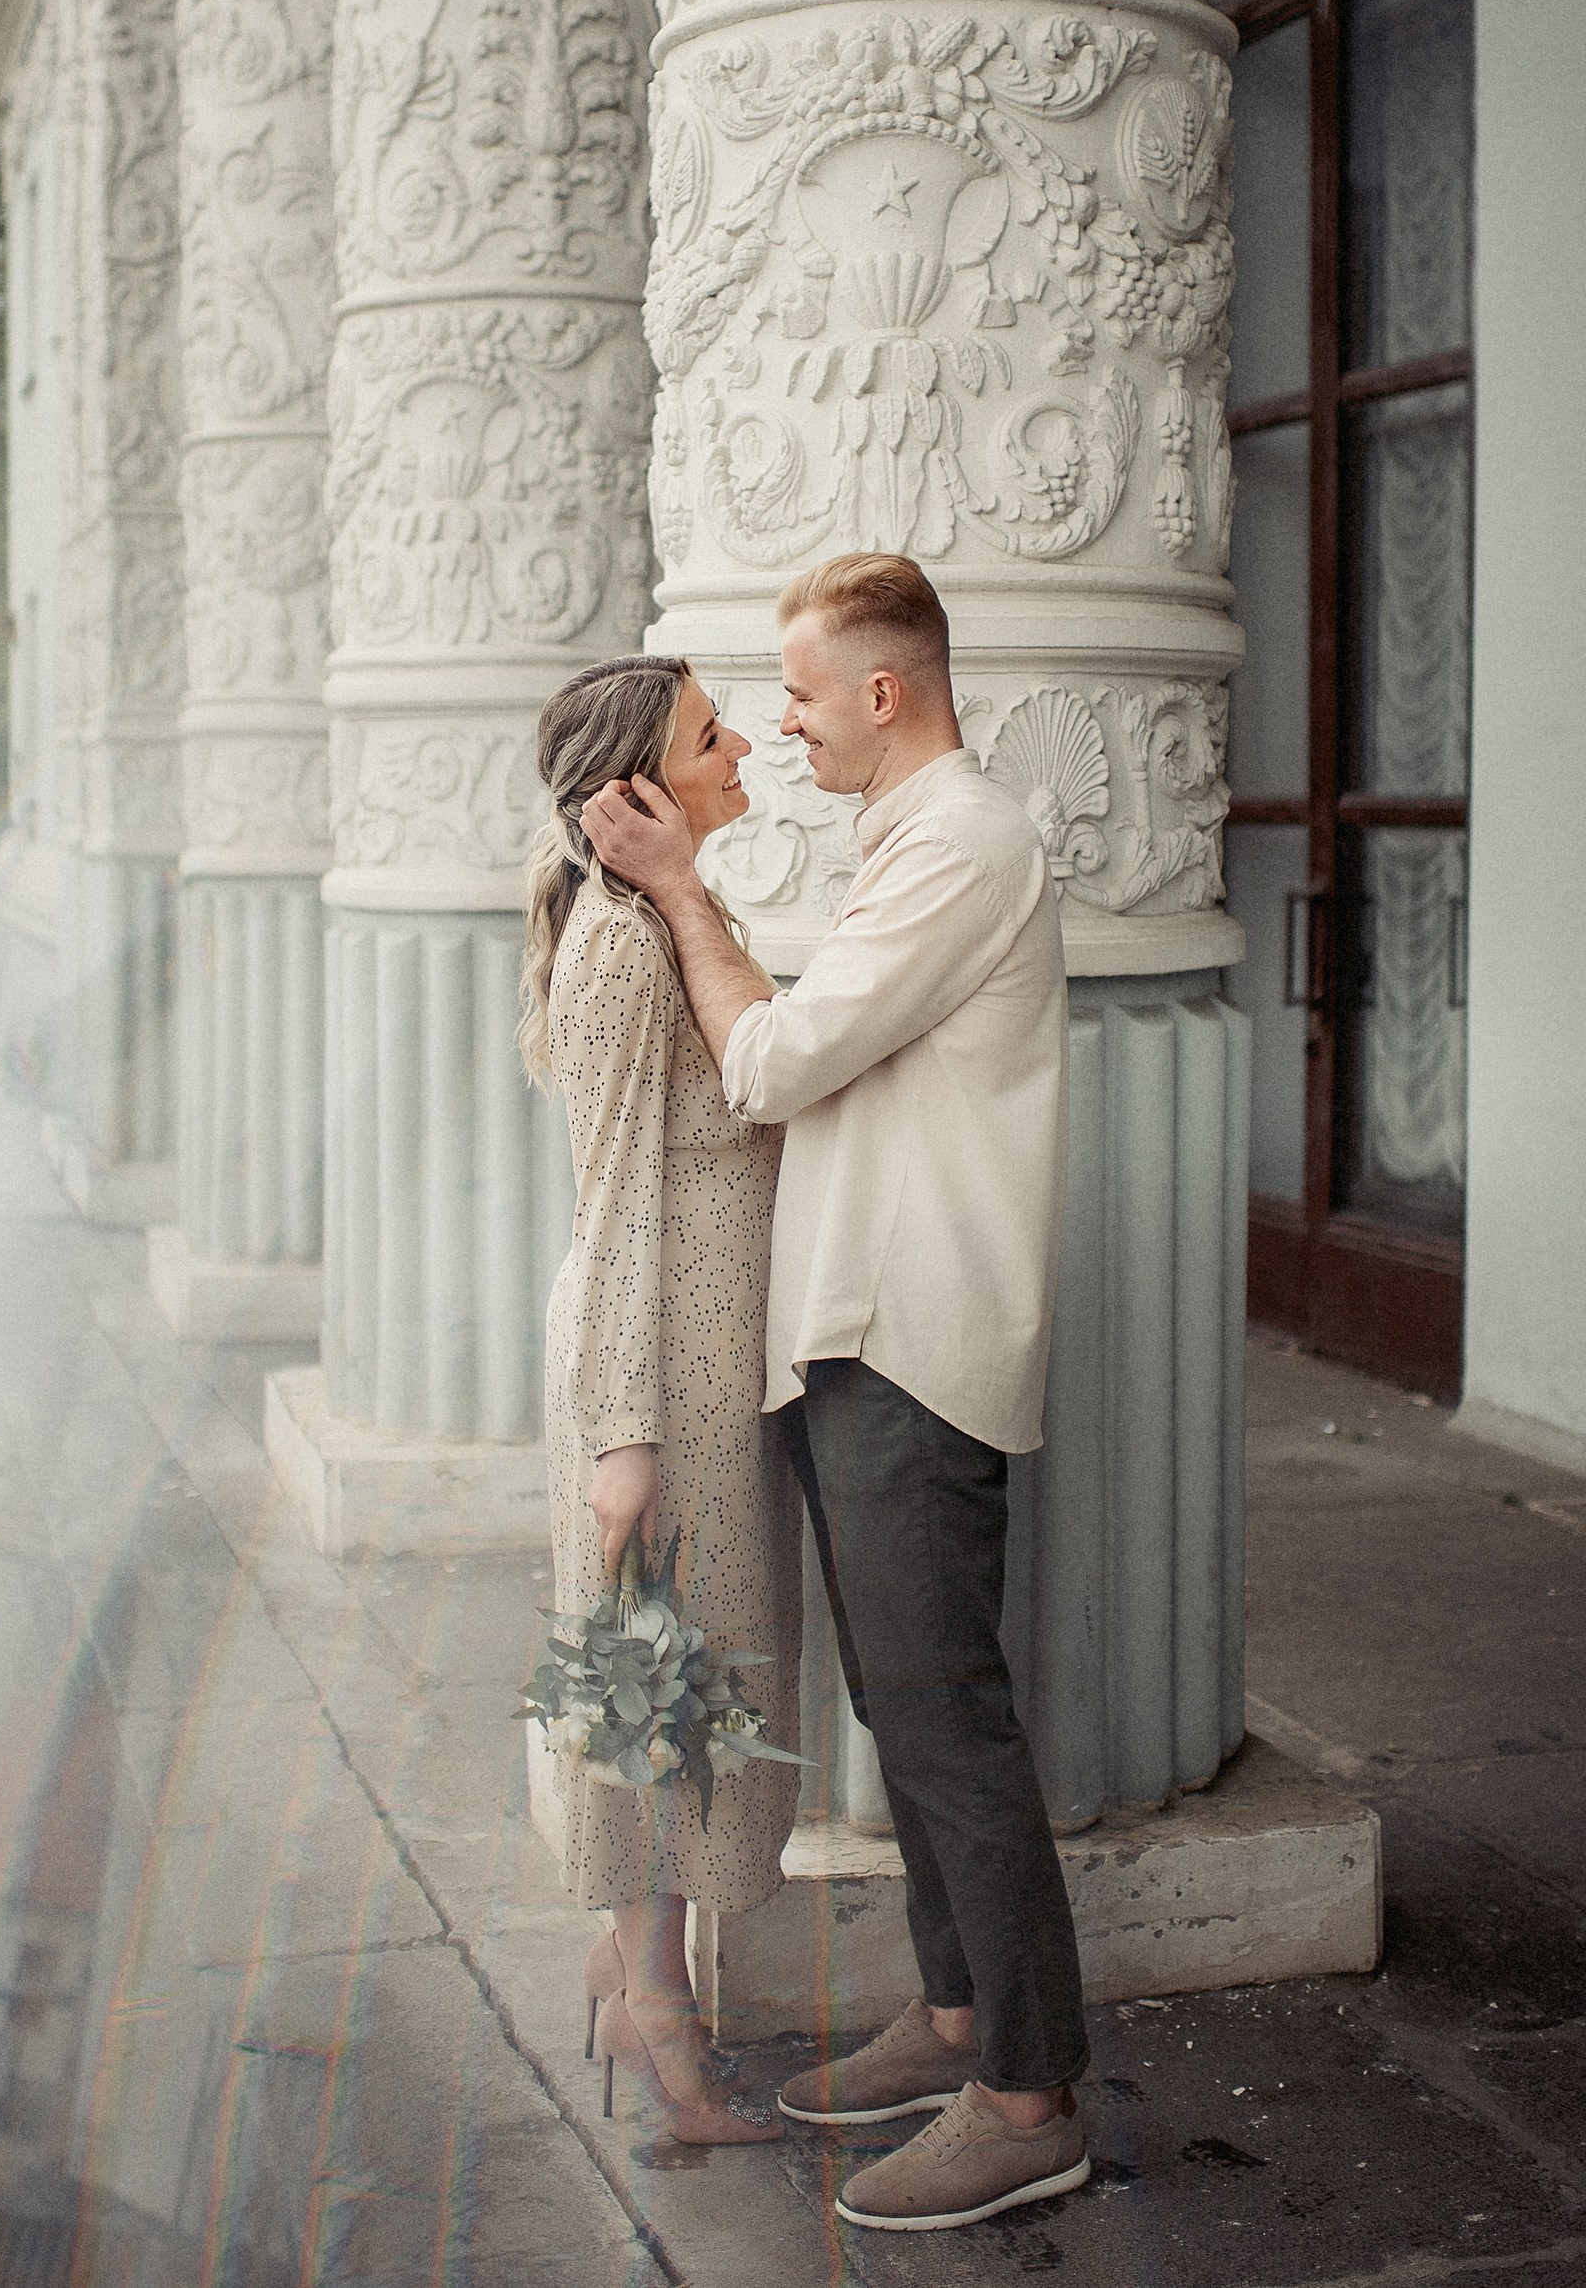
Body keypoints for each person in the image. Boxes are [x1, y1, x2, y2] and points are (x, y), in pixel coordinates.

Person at [580, 552, 1091, 2236]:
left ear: (885, 693)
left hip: (914, 1345)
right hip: (855, 1342)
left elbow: (777, 1061)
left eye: (798, 696)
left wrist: (683, 900)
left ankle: (1026, 2098)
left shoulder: (963, 841)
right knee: (904, 1705)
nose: (783, 726)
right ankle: (957, 2021)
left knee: (947, 1721)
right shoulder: (913, 844)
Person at [522, 653, 801, 2146]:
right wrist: (622, 1437)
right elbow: (616, 1192)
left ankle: (637, 1974)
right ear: (635, 789)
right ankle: (660, 2016)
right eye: (709, 736)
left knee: (676, 1688)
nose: (741, 742)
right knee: (658, 1699)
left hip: (691, 1359)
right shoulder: (626, 944)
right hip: (657, 1370)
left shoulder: (655, 916)